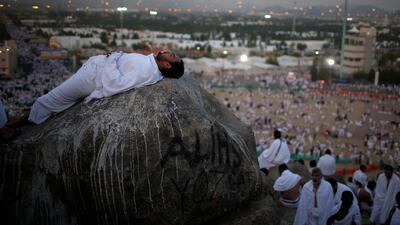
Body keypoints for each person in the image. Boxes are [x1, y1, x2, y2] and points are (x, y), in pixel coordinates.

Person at [5, 50, 184, 127]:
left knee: (52, 99)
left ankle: (17, 123)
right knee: (60, 102)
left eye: (172, 56)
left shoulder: (147, 71)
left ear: (167, 65)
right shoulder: (151, 66)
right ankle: (23, 119)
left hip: (92, 78)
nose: (169, 51)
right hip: (94, 72)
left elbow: (115, 83)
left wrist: (112, 58)